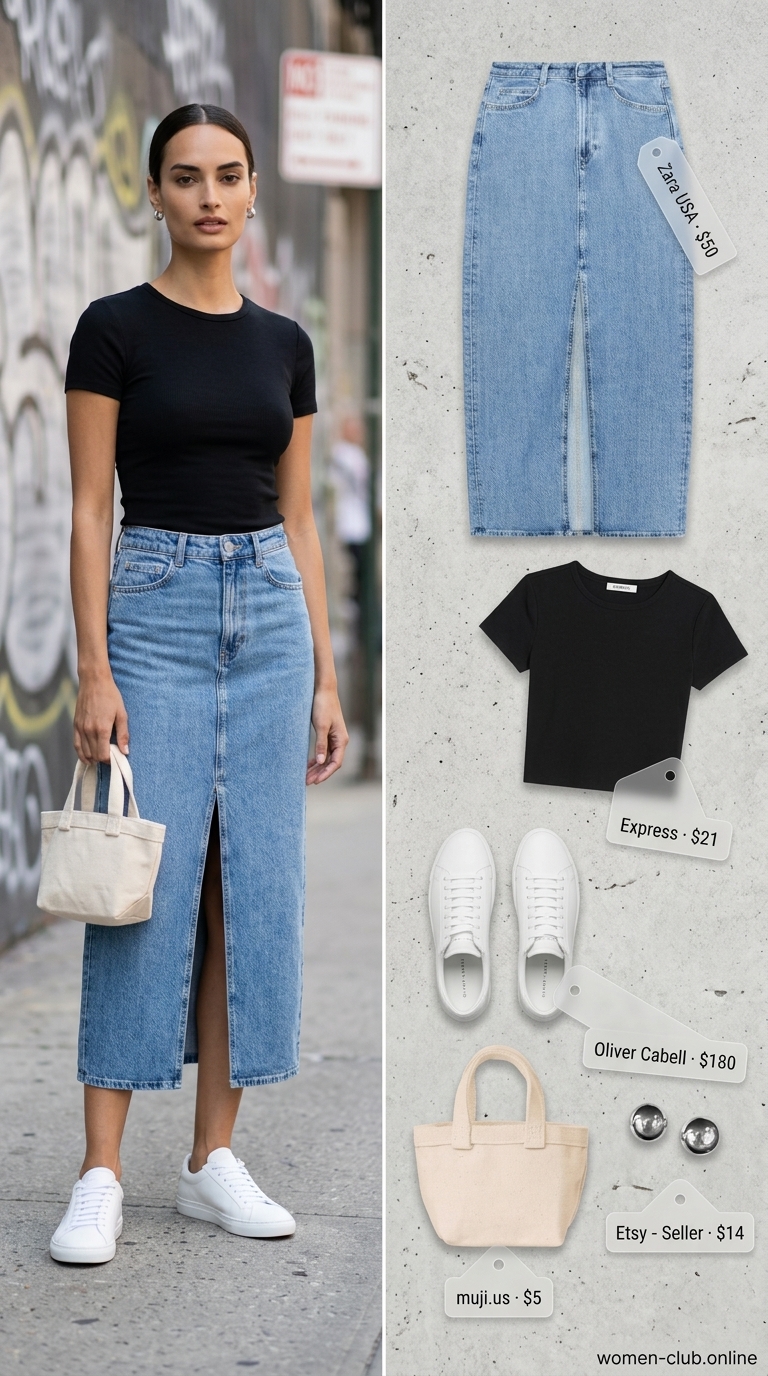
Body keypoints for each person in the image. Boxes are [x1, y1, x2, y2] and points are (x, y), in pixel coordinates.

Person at [49, 103, 348, 1265]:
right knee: (144, 885)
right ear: (157, 195)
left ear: (256, 188)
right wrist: (95, 662)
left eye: (228, 175)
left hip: (272, 612)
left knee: (249, 885)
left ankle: (211, 1158)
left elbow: (302, 518)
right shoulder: (113, 328)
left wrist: (326, 674)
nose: (209, 196)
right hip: (157, 604)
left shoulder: (286, 342)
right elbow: (86, 509)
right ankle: (101, 1173)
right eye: (186, 178)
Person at [329, 415, 372, 611]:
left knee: (363, 573)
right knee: (356, 571)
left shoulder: (357, 455)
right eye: (354, 428)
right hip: (349, 523)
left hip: (361, 522)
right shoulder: (341, 455)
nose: (358, 432)